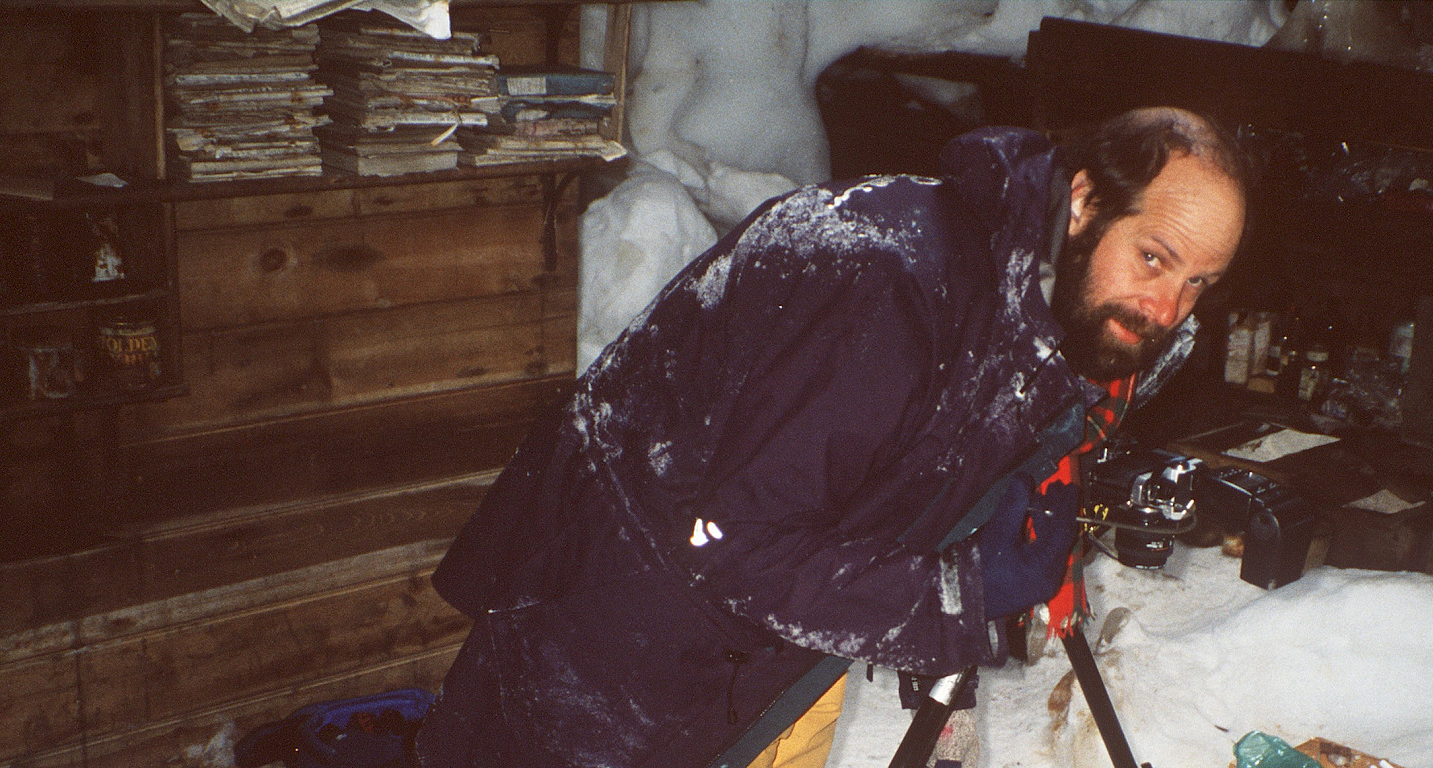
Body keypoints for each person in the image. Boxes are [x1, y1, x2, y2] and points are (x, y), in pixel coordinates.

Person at [413, 105, 1251, 768]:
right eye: (1155, 257)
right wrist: (960, 591)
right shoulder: (884, 285)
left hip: (775, 649)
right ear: (1083, 202)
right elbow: (732, 544)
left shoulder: (1062, 300)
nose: (1168, 310)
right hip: (610, 636)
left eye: (1199, 283)